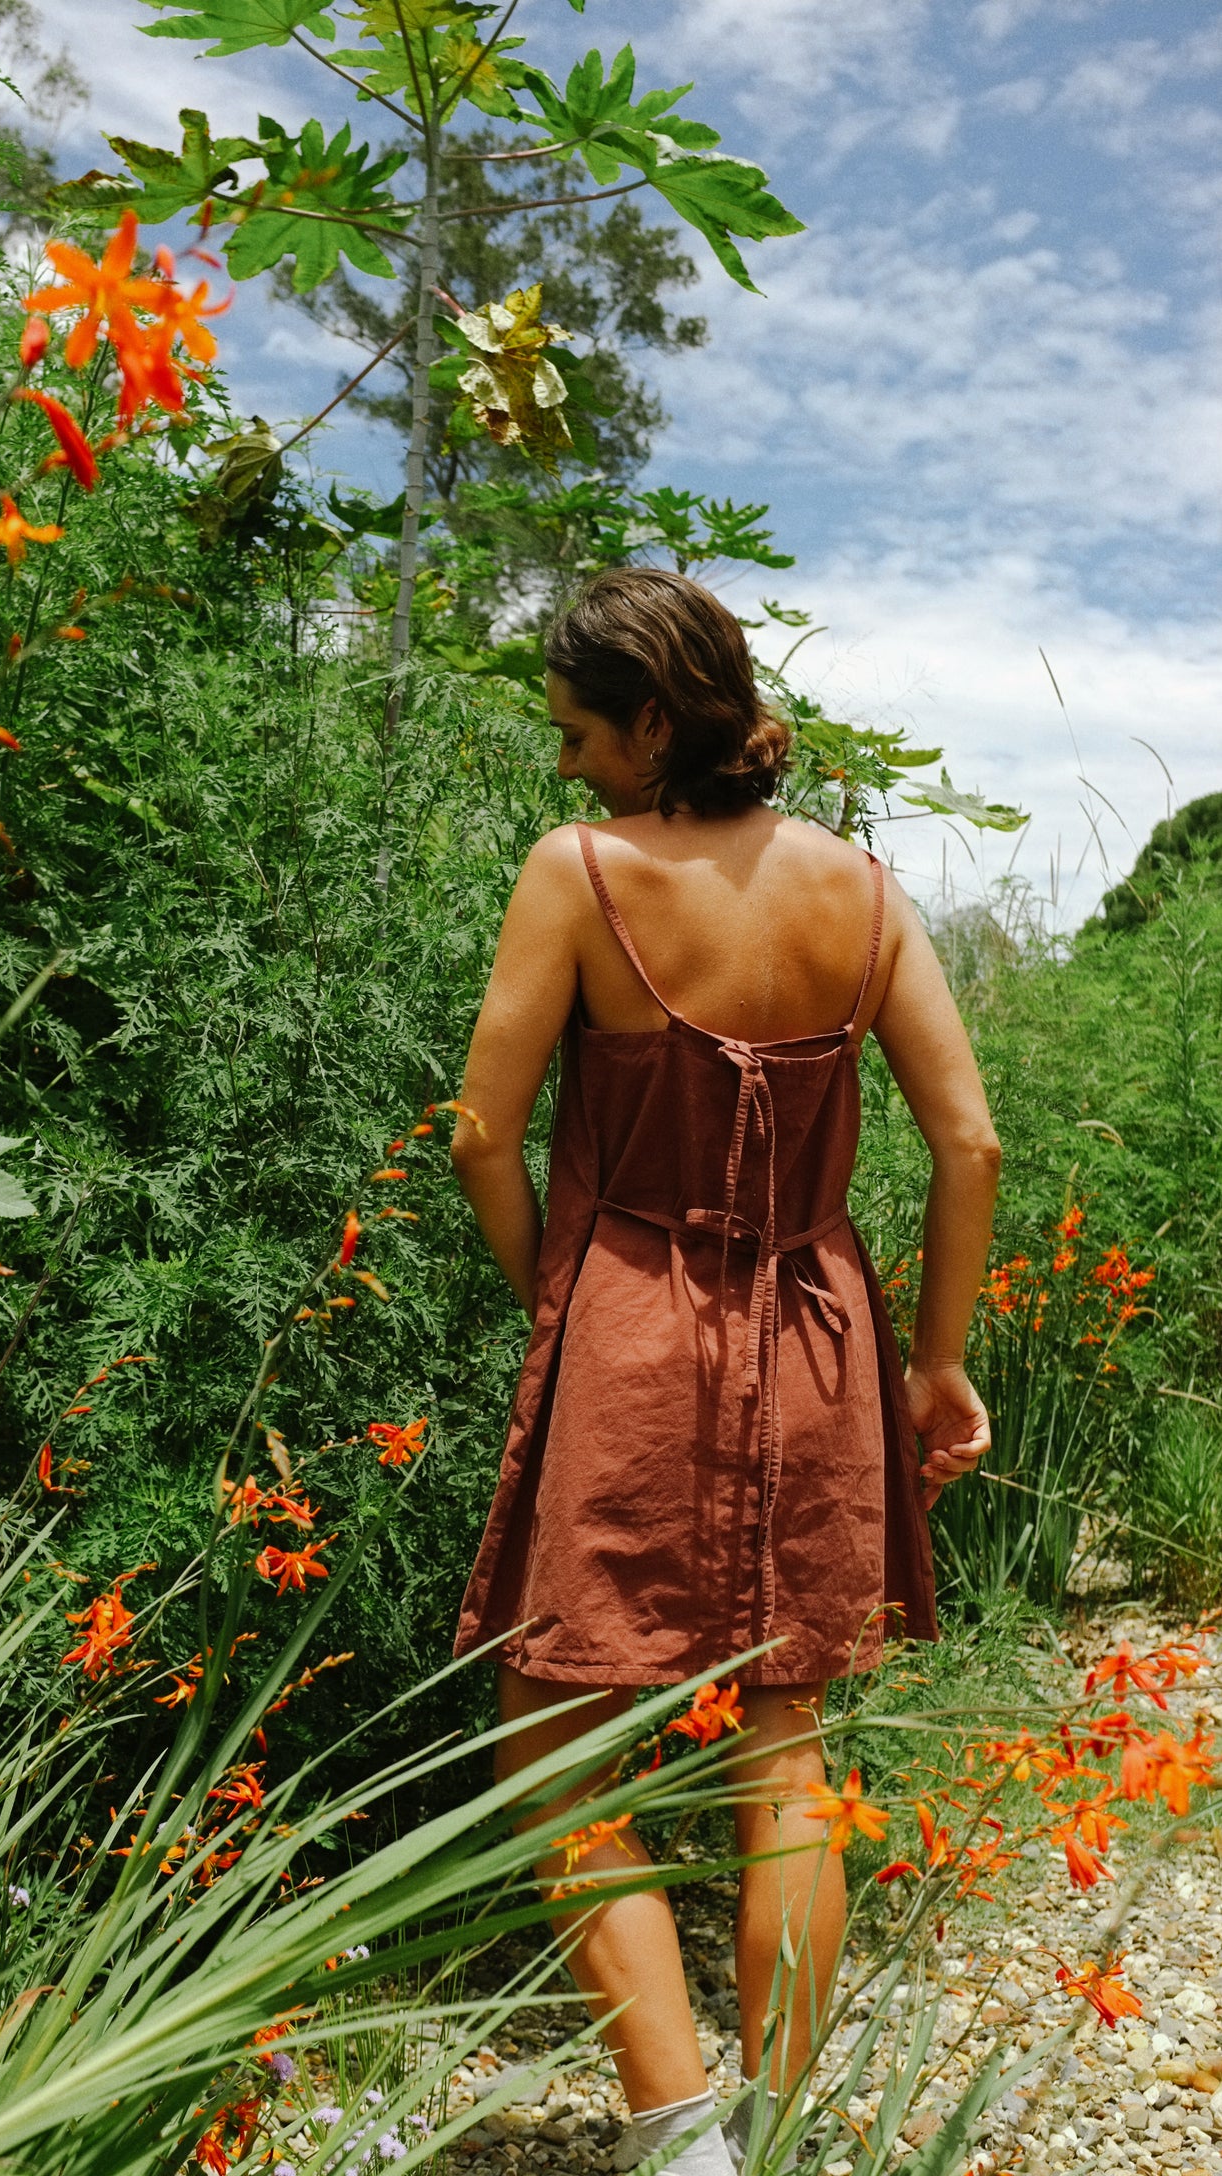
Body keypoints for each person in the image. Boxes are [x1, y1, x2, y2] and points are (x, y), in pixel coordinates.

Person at [447, 569, 999, 2173]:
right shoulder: (866, 890)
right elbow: (966, 1143)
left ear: (652, 721)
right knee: (784, 1739)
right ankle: (771, 2131)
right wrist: (936, 1365)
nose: (565, 769)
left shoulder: (579, 872)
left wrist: (555, 1290)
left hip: (631, 1318)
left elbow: (481, 1133)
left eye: (577, 734)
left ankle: (677, 2131)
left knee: (551, 1741)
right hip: (822, 1331)